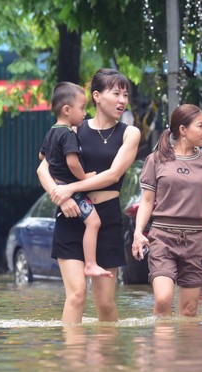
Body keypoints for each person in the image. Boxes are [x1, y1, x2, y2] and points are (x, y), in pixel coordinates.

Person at [37, 68, 141, 325]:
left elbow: (113, 174)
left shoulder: (129, 133)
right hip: (71, 215)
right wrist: (61, 196)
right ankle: (73, 361)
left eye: (125, 95)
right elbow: (43, 168)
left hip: (106, 218)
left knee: (104, 303)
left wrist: (71, 188)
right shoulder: (72, 129)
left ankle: (106, 361)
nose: (122, 100)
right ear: (96, 96)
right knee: (76, 295)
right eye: (115, 93)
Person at [131, 104, 202, 317]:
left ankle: (187, 351)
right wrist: (138, 232)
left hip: (197, 240)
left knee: (189, 310)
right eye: (201, 126)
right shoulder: (156, 159)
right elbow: (147, 201)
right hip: (162, 238)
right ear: (183, 130)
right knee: (163, 300)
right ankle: (163, 350)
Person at [39, 82, 111, 279]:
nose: (85, 113)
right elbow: (72, 162)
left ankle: (89, 263)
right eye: (82, 108)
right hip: (72, 191)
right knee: (94, 222)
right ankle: (90, 264)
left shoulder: (52, 132)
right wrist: (84, 177)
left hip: (59, 185)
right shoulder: (69, 134)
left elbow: (41, 157)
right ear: (66, 109)